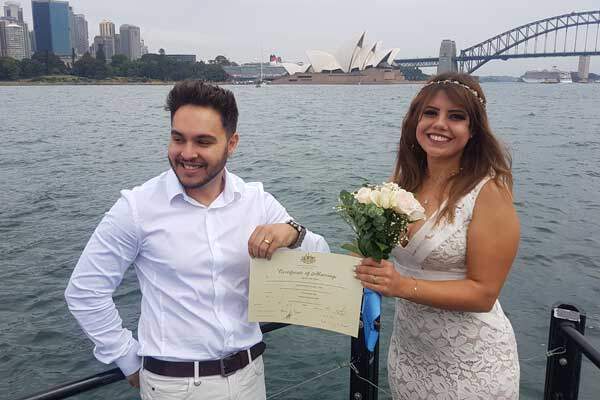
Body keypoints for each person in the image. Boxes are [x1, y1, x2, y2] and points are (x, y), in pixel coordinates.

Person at [65, 81, 329, 400]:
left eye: (202, 141)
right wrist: (127, 358)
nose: (187, 154)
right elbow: (85, 290)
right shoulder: (137, 207)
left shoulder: (256, 201)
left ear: (231, 144)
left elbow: (322, 263)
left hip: (249, 377)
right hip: (174, 386)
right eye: (178, 138)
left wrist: (293, 232)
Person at [354, 72, 520, 399]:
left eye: (456, 117)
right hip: (409, 356)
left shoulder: (488, 192)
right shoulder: (404, 184)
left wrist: (400, 285)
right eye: (430, 113)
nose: (440, 124)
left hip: (471, 367)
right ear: (415, 121)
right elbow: (385, 258)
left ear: (473, 131)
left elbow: (484, 293)